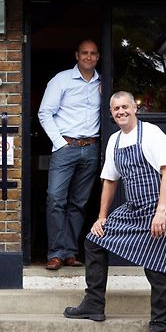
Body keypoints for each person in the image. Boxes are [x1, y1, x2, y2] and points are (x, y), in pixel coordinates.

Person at [64, 91, 166, 332]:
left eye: (125, 107)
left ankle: (159, 329)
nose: (121, 112)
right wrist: (102, 218)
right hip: (132, 209)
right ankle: (94, 303)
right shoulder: (114, 141)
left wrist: (161, 211)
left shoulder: (151, 134)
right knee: (94, 240)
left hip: (157, 209)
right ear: (111, 113)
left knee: (157, 269)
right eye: (116, 109)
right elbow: (110, 181)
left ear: (135, 107)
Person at [38, 39, 101, 271]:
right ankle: (55, 253)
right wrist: (59, 142)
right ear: (77, 55)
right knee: (55, 199)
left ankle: (70, 252)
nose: (88, 57)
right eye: (84, 52)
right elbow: (45, 113)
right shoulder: (61, 80)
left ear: (98, 56)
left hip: (91, 148)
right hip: (66, 147)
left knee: (79, 203)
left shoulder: (103, 83)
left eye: (93, 53)